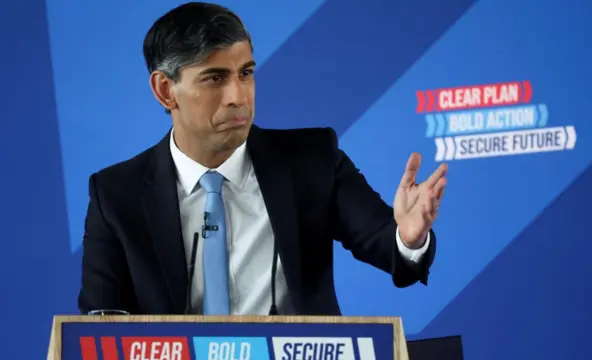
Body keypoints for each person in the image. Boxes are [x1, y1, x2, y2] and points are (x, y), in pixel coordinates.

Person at [78, 1, 447, 316]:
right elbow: (101, 325)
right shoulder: (116, 194)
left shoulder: (312, 160)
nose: (238, 96)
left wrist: (409, 238)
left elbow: (391, 251)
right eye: (214, 79)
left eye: (246, 73)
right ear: (165, 90)